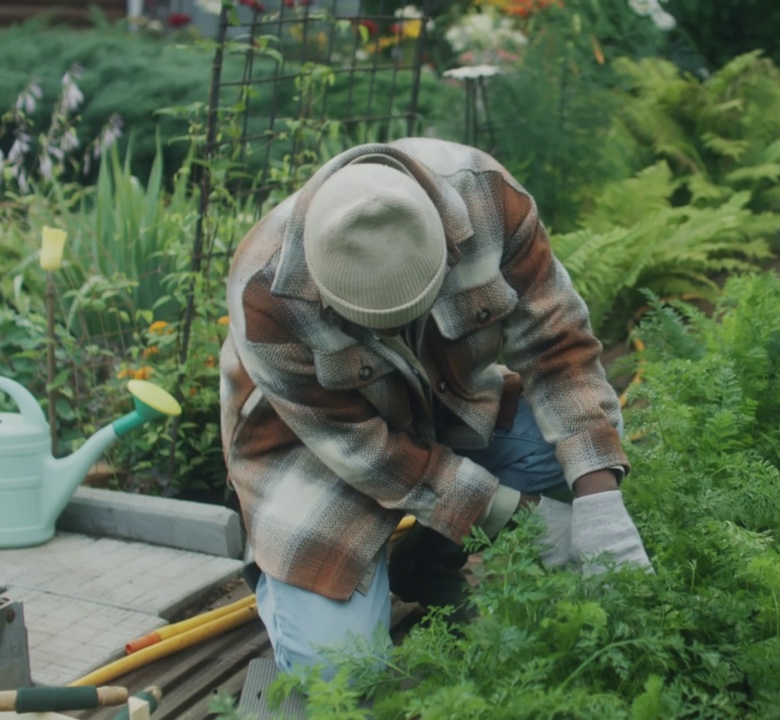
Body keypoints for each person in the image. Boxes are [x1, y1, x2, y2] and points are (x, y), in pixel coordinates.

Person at [218, 138, 651, 678]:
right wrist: (525, 520)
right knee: (343, 674)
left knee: (572, 457)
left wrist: (599, 505)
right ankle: (287, 586)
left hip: (447, 405)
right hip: (314, 455)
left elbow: (557, 346)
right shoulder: (267, 289)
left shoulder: (488, 199)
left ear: (446, 250)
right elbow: (373, 457)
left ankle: (425, 562)